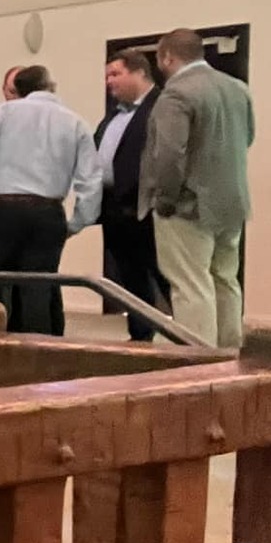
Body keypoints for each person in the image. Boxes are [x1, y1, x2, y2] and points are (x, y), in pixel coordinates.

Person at [0, 65, 102, 337]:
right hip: (47, 213)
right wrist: (78, 222)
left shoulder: (5, 112)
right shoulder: (75, 122)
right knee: (39, 290)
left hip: (1, 210)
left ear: (18, 89)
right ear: (50, 86)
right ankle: (38, 359)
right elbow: (91, 179)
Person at [143, 28, 256, 348]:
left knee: (191, 285)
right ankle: (231, 352)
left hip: (187, 205)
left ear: (167, 57)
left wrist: (164, 199)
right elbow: (247, 137)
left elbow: (168, 155)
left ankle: (198, 361)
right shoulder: (237, 88)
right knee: (226, 279)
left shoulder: (175, 94)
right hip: (231, 201)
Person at [95, 48, 169, 340]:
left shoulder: (161, 107)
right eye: (106, 76)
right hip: (115, 208)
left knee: (163, 275)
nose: (109, 82)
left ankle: (185, 335)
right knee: (129, 278)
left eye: (115, 74)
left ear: (140, 72)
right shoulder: (113, 115)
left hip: (146, 206)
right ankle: (140, 335)